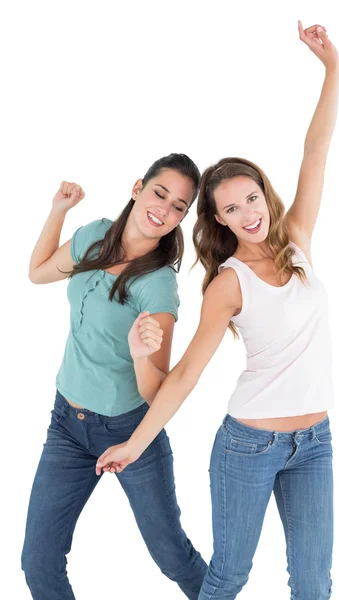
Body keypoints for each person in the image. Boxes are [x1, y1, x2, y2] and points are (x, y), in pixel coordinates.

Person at [97, 22, 339, 599]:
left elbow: (317, 150)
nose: (248, 213)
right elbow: (184, 377)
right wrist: (135, 443)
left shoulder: (298, 241)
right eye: (231, 208)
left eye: (252, 198)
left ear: (264, 195)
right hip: (248, 445)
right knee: (228, 577)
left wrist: (332, 69)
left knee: (314, 583)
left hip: (316, 441)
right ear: (220, 220)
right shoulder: (228, 285)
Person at [21, 153, 207, 600]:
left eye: (179, 206)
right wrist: (58, 211)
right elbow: (37, 272)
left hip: (129, 428)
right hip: (66, 422)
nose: (164, 209)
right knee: (38, 563)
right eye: (160, 193)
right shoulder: (95, 236)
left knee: (171, 554)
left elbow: (158, 390)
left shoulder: (158, 285)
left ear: (183, 218)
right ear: (138, 187)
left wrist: (142, 356)